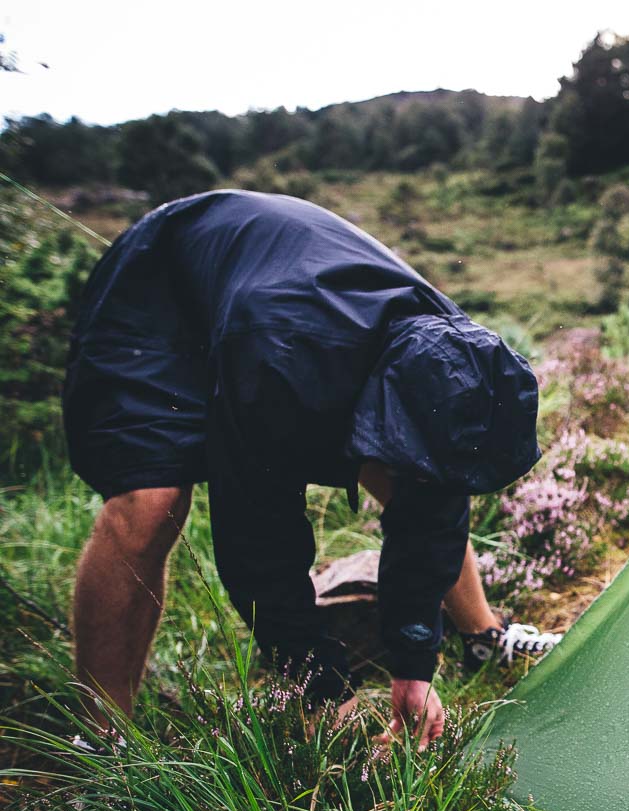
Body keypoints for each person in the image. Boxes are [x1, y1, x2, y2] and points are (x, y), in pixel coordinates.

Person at [63, 189, 540, 747]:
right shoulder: (280, 362)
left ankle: (484, 636)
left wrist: (414, 665)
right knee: (151, 501)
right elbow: (259, 545)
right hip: (161, 286)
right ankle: (99, 740)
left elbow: (433, 505)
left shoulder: (454, 352)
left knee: (419, 471)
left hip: (286, 304)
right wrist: (321, 687)